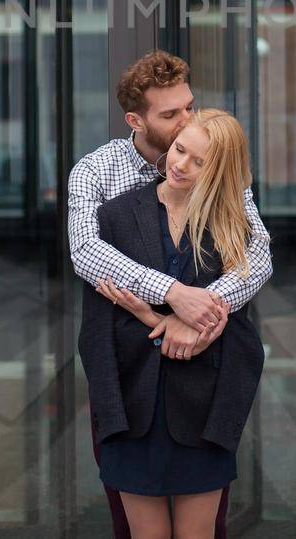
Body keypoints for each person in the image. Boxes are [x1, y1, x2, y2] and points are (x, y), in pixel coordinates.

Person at [68, 51, 273, 538]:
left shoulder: (217, 160)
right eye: (172, 117)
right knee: (130, 518)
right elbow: (86, 254)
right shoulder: (99, 174)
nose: (187, 119)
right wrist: (172, 295)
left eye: (188, 106)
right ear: (135, 120)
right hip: (129, 374)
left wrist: (201, 314)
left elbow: (255, 256)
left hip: (201, 378)